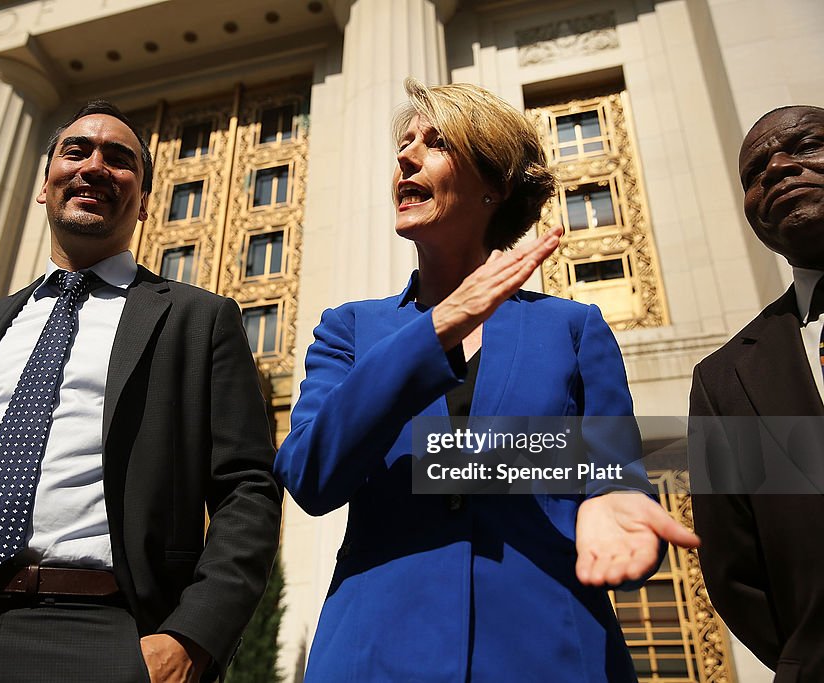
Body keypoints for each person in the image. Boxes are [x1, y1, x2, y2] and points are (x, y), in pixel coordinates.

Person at [0, 100, 282, 683]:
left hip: (88, 633)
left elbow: (247, 487)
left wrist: (193, 640)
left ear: (142, 203)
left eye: (120, 160)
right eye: (76, 151)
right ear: (45, 185)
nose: (93, 166)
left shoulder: (200, 319)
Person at [274, 78, 698, 682]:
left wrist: (617, 505)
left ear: (494, 186)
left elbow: (614, 478)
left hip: (549, 649)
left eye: (436, 141)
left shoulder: (573, 329)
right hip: (376, 652)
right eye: (404, 142)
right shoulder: (348, 329)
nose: (405, 156)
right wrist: (439, 328)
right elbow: (311, 475)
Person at [689, 104, 824, 681]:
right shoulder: (724, 381)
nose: (778, 168)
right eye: (754, 173)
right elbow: (733, 567)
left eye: (807, 145)